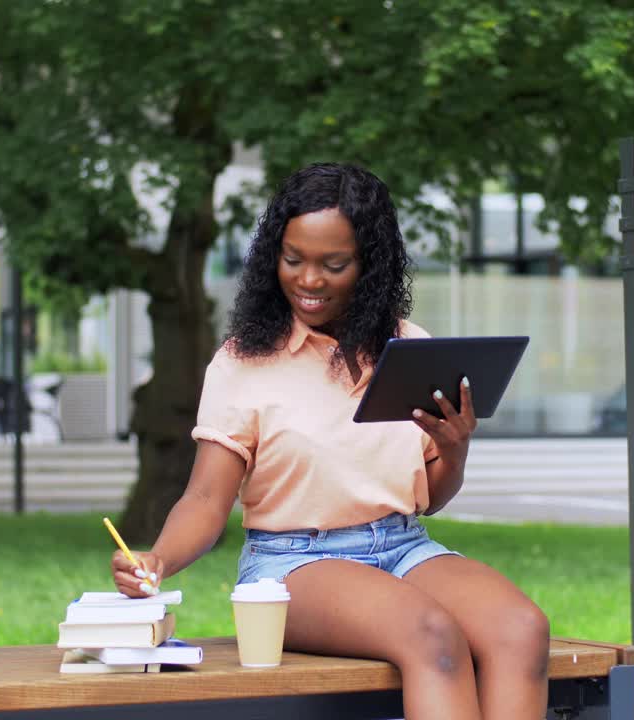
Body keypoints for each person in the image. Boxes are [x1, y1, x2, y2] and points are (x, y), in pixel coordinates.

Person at [111, 163, 549, 719]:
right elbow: (205, 499)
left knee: (521, 628)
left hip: (404, 546)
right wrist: (157, 560)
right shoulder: (244, 362)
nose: (309, 280)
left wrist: (457, 447)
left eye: (332, 264)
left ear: (370, 265)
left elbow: (430, 495)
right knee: (432, 635)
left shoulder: (410, 347)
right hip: (292, 565)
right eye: (293, 259)